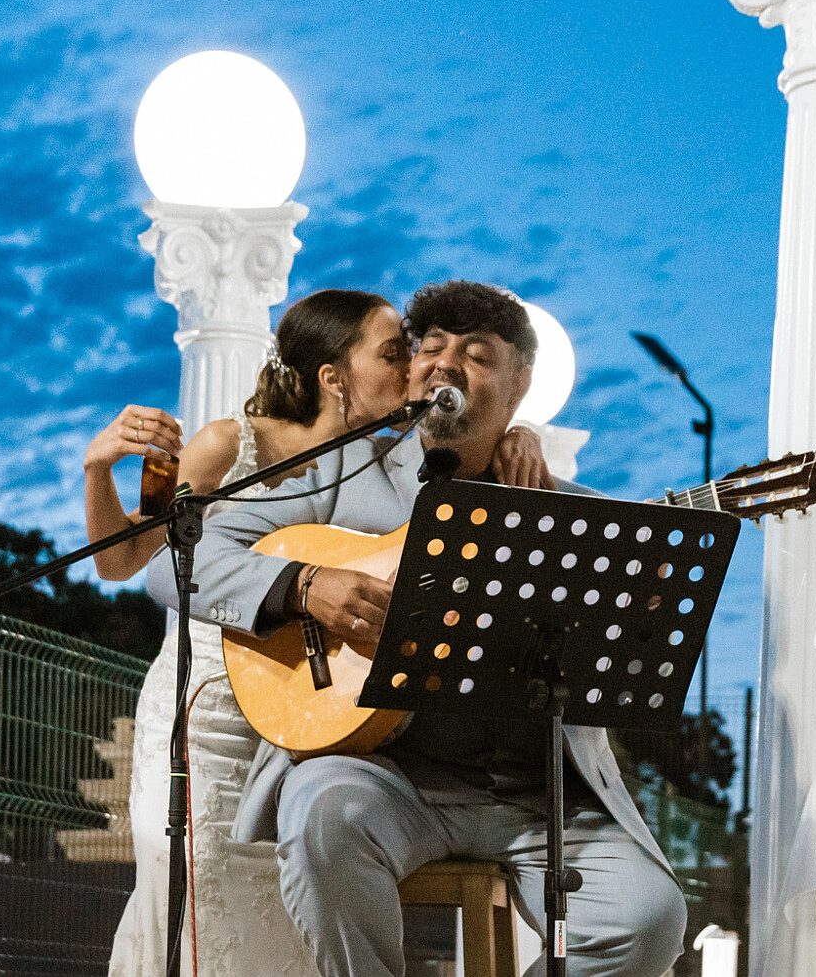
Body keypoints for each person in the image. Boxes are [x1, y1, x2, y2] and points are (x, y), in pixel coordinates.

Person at [188, 280, 687, 977]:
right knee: (320, 818)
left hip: (538, 799)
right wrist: (303, 585)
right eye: (431, 347)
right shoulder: (338, 474)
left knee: (648, 918)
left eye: (478, 355)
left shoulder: (578, 516)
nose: (447, 363)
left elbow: (625, 650)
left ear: (520, 387)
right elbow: (183, 562)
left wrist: (641, 611)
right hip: (384, 775)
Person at [88, 289, 558, 977]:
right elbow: (129, 559)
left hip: (318, 709)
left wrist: (517, 432)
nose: (421, 368)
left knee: (291, 923)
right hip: (214, 709)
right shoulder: (231, 442)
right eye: (396, 353)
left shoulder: (382, 457)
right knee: (201, 915)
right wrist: (99, 469)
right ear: (336, 377)